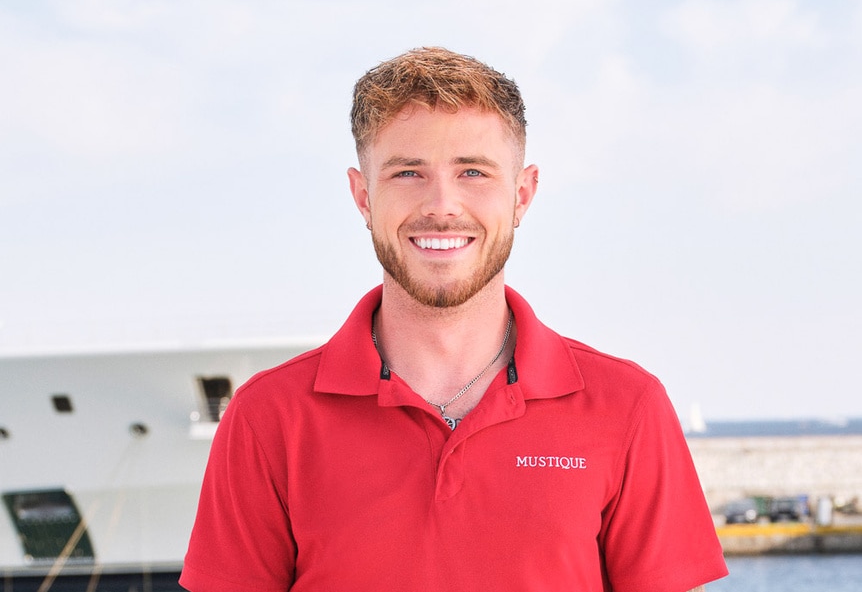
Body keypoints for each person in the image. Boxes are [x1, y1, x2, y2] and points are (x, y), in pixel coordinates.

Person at [180, 47, 728, 592]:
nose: (442, 205)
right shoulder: (266, 418)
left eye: (472, 171)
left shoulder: (627, 406)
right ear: (362, 196)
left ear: (522, 194)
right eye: (408, 173)